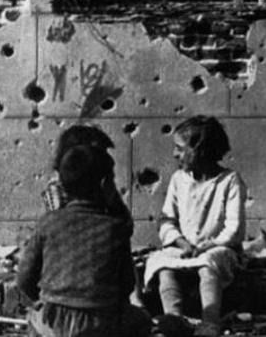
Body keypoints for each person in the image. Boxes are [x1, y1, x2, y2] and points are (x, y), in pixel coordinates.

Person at [18, 132, 150, 337]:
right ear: (106, 183)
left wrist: (44, 301)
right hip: (100, 323)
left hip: (53, 322)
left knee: (34, 318)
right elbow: (127, 284)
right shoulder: (115, 227)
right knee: (142, 320)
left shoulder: (48, 221)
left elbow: (25, 277)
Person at [143, 116, 247, 337]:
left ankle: (210, 321)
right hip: (184, 246)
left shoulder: (229, 181)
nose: (175, 154)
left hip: (218, 248)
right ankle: (174, 318)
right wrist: (181, 242)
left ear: (201, 150)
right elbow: (167, 220)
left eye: (180, 149)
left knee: (209, 264)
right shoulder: (178, 179)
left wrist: (208, 245)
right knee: (161, 263)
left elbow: (234, 228)